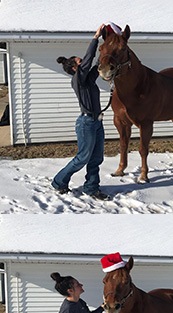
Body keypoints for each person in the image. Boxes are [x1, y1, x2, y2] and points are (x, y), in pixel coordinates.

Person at [52, 24, 110, 200]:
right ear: (75, 68)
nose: (84, 63)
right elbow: (88, 59)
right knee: (83, 158)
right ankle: (59, 182)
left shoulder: (88, 81)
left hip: (96, 122)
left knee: (96, 158)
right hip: (86, 123)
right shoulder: (78, 80)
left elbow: (98, 63)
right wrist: (95, 38)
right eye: (80, 62)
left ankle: (92, 188)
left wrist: (106, 45)